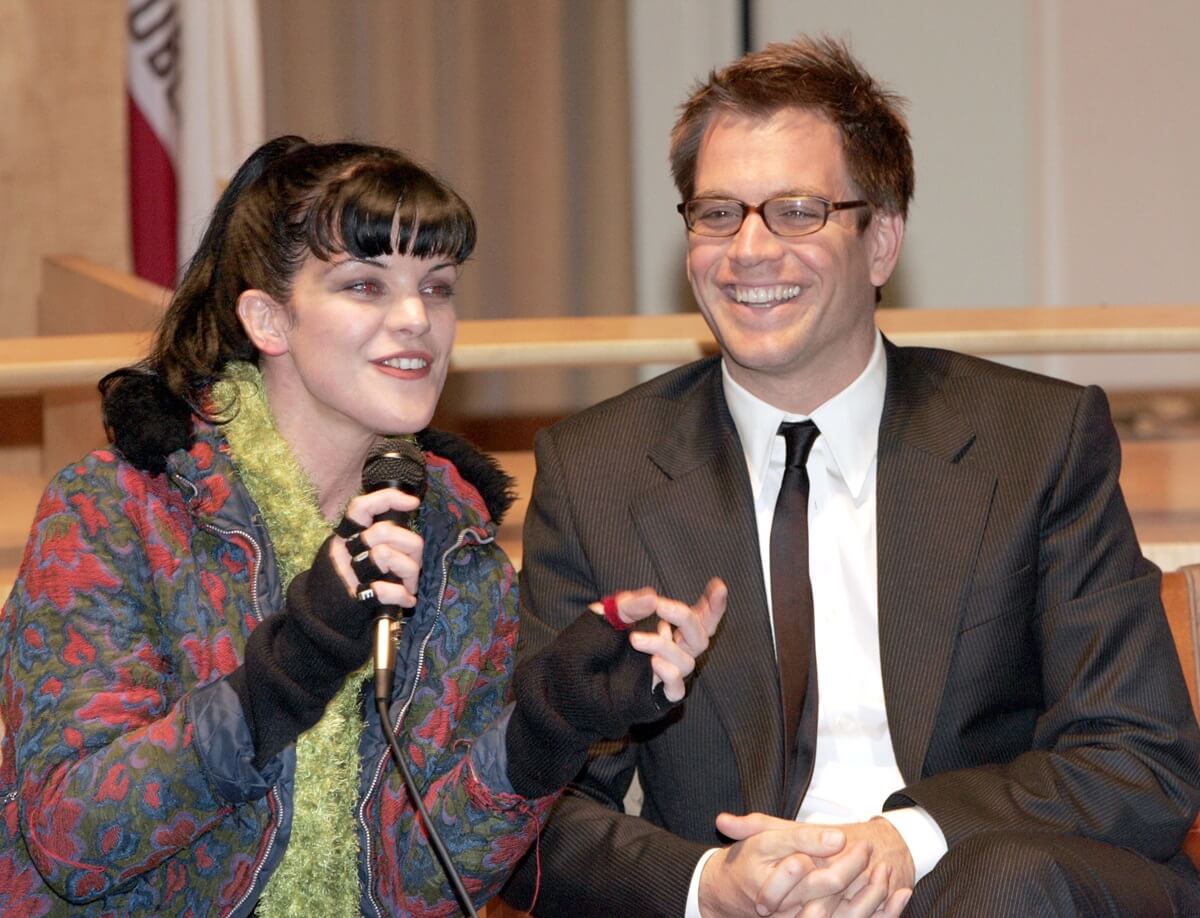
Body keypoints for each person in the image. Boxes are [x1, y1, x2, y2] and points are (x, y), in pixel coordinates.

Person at [501, 36, 1200, 917]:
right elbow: (527, 803)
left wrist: (902, 844)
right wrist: (704, 886)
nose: (749, 249)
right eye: (717, 213)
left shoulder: (1034, 442)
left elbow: (1138, 756)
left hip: (983, 883)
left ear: (882, 242)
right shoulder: (597, 471)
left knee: (1005, 885)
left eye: (796, 211)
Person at [0, 136, 723, 917]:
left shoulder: (455, 543)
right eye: (366, 285)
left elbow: (419, 887)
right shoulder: (117, 511)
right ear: (268, 319)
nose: (416, 319)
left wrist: (550, 724)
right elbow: (73, 839)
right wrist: (291, 668)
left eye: (437, 288)